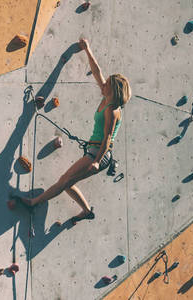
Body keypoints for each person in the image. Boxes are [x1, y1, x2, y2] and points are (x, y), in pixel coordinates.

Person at [20, 38, 132, 221]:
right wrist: (87, 49)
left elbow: (108, 138)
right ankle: (87, 212)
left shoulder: (112, 111)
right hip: (93, 149)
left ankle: (33, 203)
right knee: (68, 182)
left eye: (107, 85)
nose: (103, 85)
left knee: (65, 181)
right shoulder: (107, 97)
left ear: (113, 91)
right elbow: (97, 72)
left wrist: (96, 161)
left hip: (99, 155)